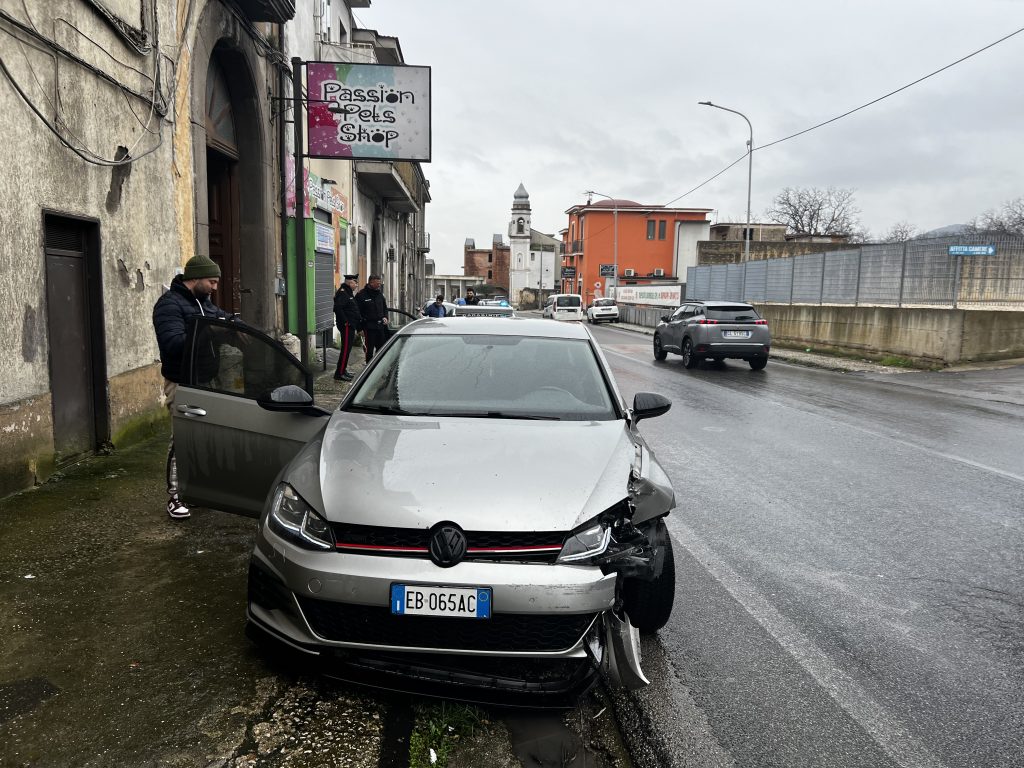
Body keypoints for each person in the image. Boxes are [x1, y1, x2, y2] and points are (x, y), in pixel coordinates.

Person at [152, 254, 230, 520]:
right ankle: (176, 496)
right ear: (194, 278)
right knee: (182, 438)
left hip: (206, 380)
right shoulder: (169, 305)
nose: (215, 288)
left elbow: (222, 319)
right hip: (182, 382)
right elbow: (173, 343)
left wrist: (236, 328)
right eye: (212, 281)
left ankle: (197, 490)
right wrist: (209, 331)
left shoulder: (204, 303)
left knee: (204, 438)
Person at [333, 274, 362, 381]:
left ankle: (343, 370)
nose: (356, 285)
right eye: (355, 283)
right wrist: (346, 322)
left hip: (350, 325)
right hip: (346, 326)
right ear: (350, 283)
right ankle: (339, 373)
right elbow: (338, 308)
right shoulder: (343, 293)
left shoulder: (348, 292)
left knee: (347, 350)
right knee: (345, 350)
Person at [355, 274, 389, 363]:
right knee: (369, 350)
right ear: (371, 282)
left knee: (381, 348)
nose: (379, 285)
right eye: (377, 283)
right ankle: (369, 368)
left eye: (380, 283)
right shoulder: (361, 295)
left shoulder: (380, 294)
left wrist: (385, 317)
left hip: (380, 326)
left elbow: (385, 308)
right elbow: (356, 313)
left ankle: (378, 366)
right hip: (369, 327)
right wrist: (359, 328)